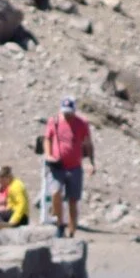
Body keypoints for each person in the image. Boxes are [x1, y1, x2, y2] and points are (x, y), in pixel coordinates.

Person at [43, 95, 95, 238]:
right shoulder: (54, 121)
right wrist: (48, 154)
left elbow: (88, 144)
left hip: (75, 167)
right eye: (65, 112)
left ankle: (71, 230)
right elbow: (47, 138)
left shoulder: (82, 123)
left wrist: (91, 162)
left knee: (73, 200)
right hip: (57, 165)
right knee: (55, 192)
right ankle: (60, 224)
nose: (67, 115)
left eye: (69, 112)